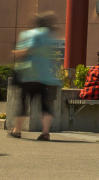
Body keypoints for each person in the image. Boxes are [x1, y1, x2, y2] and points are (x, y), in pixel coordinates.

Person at [9, 12, 63, 141]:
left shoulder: (32, 34)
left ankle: (17, 130)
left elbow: (28, 49)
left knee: (23, 102)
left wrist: (15, 52)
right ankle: (45, 133)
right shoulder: (50, 35)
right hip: (44, 76)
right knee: (45, 105)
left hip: (29, 74)